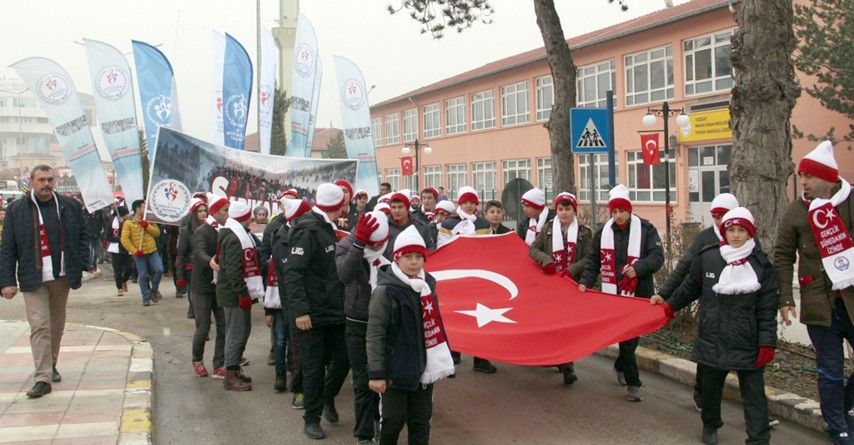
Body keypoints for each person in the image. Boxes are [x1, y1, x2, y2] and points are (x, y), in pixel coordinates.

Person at [652, 207, 777, 445]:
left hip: (747, 341)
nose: (736, 235)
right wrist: (669, 305)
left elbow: (767, 310)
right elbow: (690, 287)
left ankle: (759, 438)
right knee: (710, 389)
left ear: (750, 234)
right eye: (731, 229)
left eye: (742, 230)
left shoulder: (762, 267)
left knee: (754, 395)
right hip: (713, 336)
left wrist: (767, 342)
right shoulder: (709, 257)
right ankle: (710, 425)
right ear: (724, 231)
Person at [774, 141, 854, 445]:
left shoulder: (850, 202)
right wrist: (785, 297)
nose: (803, 182)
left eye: (809, 176)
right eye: (801, 176)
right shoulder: (796, 212)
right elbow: (783, 254)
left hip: (851, 298)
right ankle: (838, 427)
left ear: (829, 179)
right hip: (820, 304)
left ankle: (841, 408)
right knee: (830, 370)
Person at [0, 165, 91, 398]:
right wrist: (6, 281)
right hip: (33, 277)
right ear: (31, 181)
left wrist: (81, 261)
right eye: (41, 180)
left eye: (50, 179)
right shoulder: (16, 210)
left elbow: (83, 235)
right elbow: (7, 248)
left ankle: (51, 364)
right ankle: (42, 378)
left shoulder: (69, 206)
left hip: (61, 276)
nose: (46, 184)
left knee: (56, 325)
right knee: (39, 325)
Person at [367, 225, 455, 445]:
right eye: (408, 256)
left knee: (420, 422)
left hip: (423, 369)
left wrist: (444, 357)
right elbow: (375, 333)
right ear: (396, 259)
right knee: (393, 420)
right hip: (395, 371)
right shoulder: (385, 291)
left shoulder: (427, 286)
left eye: (419, 256)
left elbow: (436, 322)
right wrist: (376, 373)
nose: (414, 262)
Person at [653, 192, 739, 410]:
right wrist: (664, 294)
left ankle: (757, 412)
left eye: (725, 216)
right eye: (716, 217)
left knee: (745, 363)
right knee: (707, 357)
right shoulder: (705, 239)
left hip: (740, 312)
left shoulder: (744, 238)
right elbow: (684, 268)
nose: (720, 222)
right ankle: (702, 394)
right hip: (711, 308)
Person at [578, 184, 663, 402]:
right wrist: (585, 282)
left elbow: (657, 257)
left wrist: (639, 268)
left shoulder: (646, 229)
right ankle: (634, 384)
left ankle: (620, 365)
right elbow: (593, 261)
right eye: (614, 212)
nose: (618, 216)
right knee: (626, 338)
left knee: (630, 339)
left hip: (639, 293)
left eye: (621, 211)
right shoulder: (603, 233)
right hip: (613, 294)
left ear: (629, 210)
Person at [282, 183, 351, 440]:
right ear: (334, 206)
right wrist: (300, 311)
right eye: (341, 204)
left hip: (333, 309)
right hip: (310, 313)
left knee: (344, 358)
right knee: (312, 368)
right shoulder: (308, 230)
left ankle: (326, 398)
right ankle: (311, 418)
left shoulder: (328, 228)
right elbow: (293, 272)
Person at [337, 211, 391, 445]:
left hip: (386, 320)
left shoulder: (392, 243)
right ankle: (364, 434)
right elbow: (344, 275)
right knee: (362, 378)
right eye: (374, 243)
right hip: (358, 319)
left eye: (380, 243)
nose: (377, 246)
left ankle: (384, 425)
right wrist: (359, 244)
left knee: (386, 376)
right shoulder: (347, 244)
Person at [529, 192, 592, 385]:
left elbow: (590, 257)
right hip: (552, 285)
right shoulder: (548, 228)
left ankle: (567, 364)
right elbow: (533, 249)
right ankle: (564, 363)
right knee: (555, 325)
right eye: (561, 209)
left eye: (568, 209)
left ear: (574, 210)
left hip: (573, 284)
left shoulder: (584, 232)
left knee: (569, 327)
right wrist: (546, 260)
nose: (564, 213)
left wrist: (573, 269)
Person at [437, 186, 496, 373]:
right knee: (456, 315)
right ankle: (454, 351)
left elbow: (490, 249)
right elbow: (442, 249)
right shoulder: (448, 223)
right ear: (459, 203)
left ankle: (480, 358)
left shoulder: (483, 224)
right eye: (465, 202)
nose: (469, 206)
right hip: (457, 276)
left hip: (478, 277)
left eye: (472, 202)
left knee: (481, 317)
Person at [218, 201, 264, 391]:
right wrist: (242, 294)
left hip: (237, 292)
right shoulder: (234, 238)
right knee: (236, 334)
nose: (251, 220)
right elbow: (233, 270)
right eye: (248, 217)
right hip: (233, 294)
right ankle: (229, 374)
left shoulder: (241, 234)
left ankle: (234, 368)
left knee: (243, 331)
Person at [273, 197, 313, 408]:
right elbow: (288, 276)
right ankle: (299, 391)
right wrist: (296, 309)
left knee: (312, 352)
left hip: (311, 301)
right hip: (294, 304)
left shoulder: (305, 234)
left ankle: (312, 389)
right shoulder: (282, 239)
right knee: (298, 351)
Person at [189, 194, 229, 379]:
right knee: (203, 327)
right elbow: (199, 252)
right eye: (225, 210)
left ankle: (219, 363)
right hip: (202, 286)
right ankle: (197, 360)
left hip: (220, 285)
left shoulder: (227, 229)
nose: (228, 214)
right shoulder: (203, 231)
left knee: (223, 324)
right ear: (216, 212)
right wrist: (209, 261)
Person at [120, 199, 163, 306]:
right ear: (137, 209)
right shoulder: (128, 223)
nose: (145, 209)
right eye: (143, 207)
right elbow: (124, 239)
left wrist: (147, 226)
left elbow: (157, 233)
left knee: (159, 269)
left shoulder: (149, 220)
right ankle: (145, 297)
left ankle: (153, 289)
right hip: (139, 253)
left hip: (152, 250)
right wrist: (134, 251)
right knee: (143, 275)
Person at [176, 198, 208, 319]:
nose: (203, 213)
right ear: (195, 213)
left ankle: (200, 311)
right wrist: (180, 275)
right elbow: (181, 253)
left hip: (207, 263)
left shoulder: (211, 227)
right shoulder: (187, 231)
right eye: (200, 211)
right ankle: (195, 310)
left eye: (205, 210)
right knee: (194, 290)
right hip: (192, 264)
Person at [385, 191, 435, 261]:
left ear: (407, 208)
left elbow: (430, 248)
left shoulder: (421, 226)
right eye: (393, 207)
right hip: (390, 268)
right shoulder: (385, 228)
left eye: (400, 207)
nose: (396, 211)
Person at [106, 205, 132, 297]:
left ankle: (124, 280)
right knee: (117, 270)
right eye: (126, 214)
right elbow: (108, 236)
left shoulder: (130, 222)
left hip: (128, 248)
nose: (127, 215)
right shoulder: (112, 223)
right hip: (116, 249)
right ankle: (119, 287)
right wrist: (120, 239)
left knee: (130, 268)